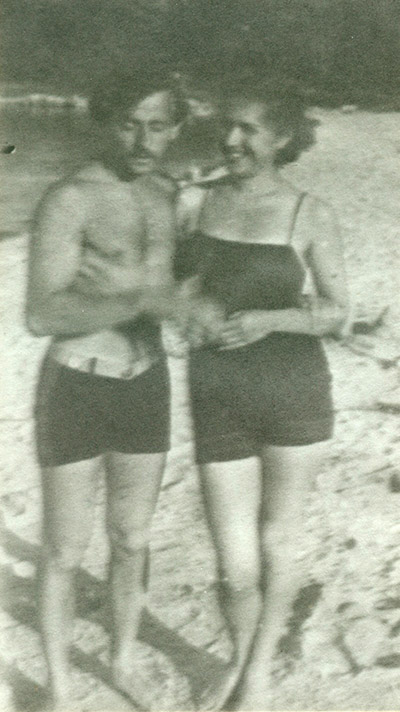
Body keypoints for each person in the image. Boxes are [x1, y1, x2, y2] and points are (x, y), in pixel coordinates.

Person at [175, 77, 349, 710]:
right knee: (231, 560)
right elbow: (179, 288)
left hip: (292, 389)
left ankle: (257, 674)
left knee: (278, 538)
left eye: (248, 129)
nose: (231, 140)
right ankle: (239, 653)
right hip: (215, 389)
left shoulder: (310, 212)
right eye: (228, 126)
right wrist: (190, 308)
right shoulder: (198, 205)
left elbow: (337, 312)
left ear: (280, 139)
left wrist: (266, 319)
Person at [26, 69, 190, 709]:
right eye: (129, 122)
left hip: (147, 382)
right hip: (77, 382)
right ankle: (61, 689)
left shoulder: (167, 193)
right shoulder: (71, 198)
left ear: (176, 129)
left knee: (133, 539)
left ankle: (120, 661)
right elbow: (42, 314)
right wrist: (142, 299)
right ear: (104, 122)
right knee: (65, 549)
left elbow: (173, 285)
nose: (143, 138)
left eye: (158, 124)